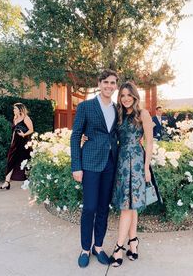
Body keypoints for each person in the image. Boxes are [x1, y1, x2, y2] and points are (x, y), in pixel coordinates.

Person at [70, 69, 119, 268]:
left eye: (113, 83)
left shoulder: (118, 109)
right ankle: (85, 248)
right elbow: (75, 136)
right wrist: (76, 166)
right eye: (106, 82)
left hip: (110, 163)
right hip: (89, 162)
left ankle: (98, 247)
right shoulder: (86, 106)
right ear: (99, 83)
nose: (109, 86)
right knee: (89, 208)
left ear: (116, 85)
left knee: (103, 208)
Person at [110, 81, 153, 267]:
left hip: (136, 162)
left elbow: (150, 143)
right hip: (121, 162)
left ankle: (119, 247)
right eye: (122, 95)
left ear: (135, 96)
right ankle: (133, 242)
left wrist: (146, 168)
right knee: (130, 204)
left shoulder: (143, 114)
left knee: (126, 206)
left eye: (129, 95)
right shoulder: (118, 114)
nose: (126, 98)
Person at [0, 103, 34, 190]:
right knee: (11, 161)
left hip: (24, 143)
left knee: (26, 162)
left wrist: (24, 134)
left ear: (20, 109)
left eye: (15, 109)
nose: (13, 110)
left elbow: (31, 129)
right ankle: (7, 182)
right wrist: (12, 142)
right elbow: (14, 131)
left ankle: (28, 181)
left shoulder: (26, 117)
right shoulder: (15, 118)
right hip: (15, 143)